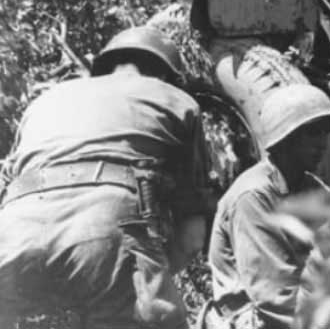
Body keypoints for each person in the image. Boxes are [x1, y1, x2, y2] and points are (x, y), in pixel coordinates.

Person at [0, 26, 210, 329]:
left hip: (14, 228)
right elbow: (192, 236)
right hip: (103, 225)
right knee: (161, 319)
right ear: (164, 74)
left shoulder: (45, 100)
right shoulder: (176, 100)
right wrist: (151, 283)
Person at [206, 84, 330, 329]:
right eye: (313, 132)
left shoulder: (307, 185)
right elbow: (275, 299)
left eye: (326, 131)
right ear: (285, 138)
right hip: (254, 317)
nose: (323, 142)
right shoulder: (253, 197)